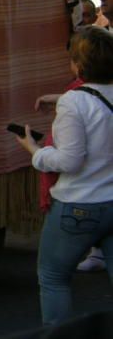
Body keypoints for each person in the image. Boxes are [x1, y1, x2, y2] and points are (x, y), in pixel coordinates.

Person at [16, 28, 113, 325]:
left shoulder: (73, 103)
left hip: (78, 205)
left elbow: (69, 160)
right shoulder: (79, 99)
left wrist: (34, 150)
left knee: (53, 278)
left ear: (78, 65)